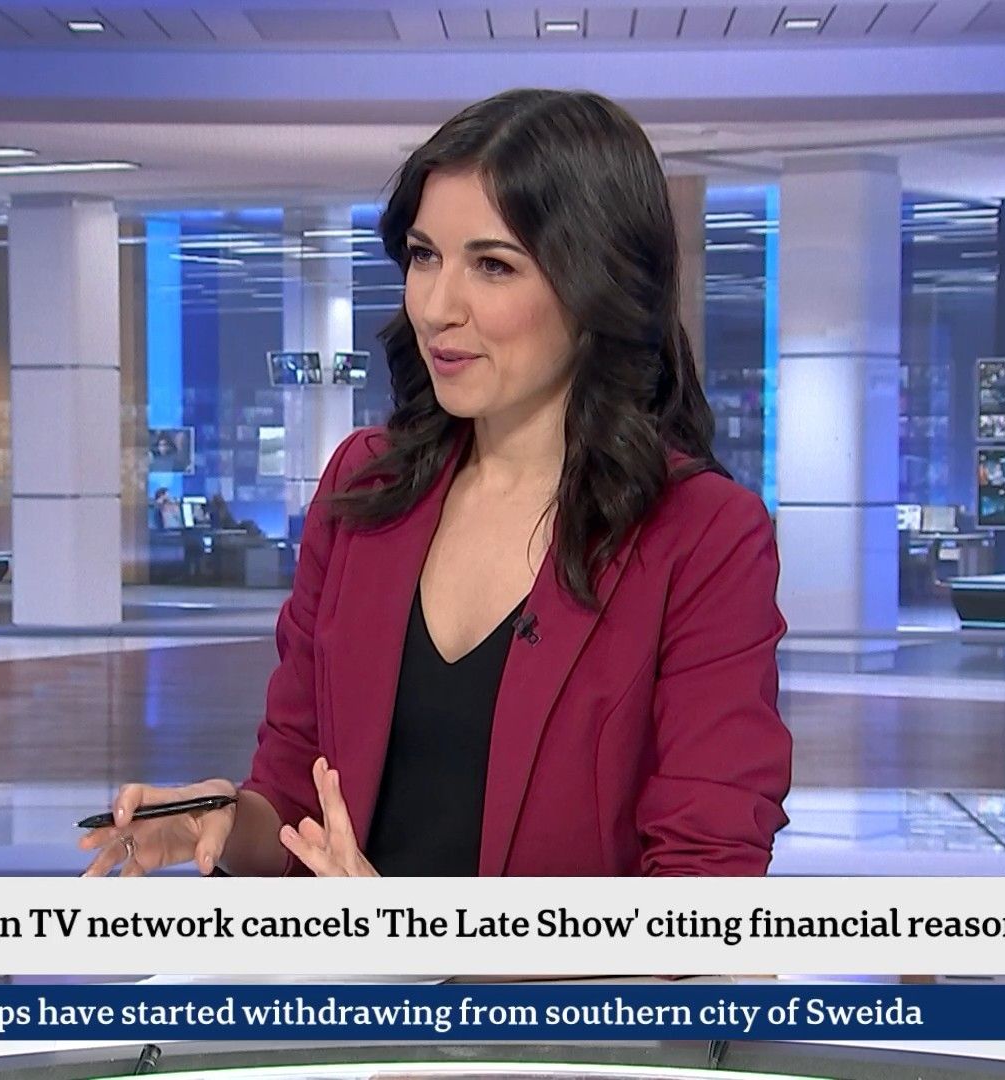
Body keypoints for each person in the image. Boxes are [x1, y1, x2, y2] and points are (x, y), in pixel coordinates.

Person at [83, 88, 789, 880]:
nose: (436, 307)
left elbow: (703, 892)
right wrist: (221, 820)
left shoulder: (704, 535)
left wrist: (416, 932)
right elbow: (295, 802)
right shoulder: (365, 486)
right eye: (424, 256)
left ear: (599, 286)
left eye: (493, 265)